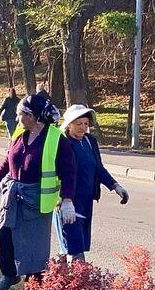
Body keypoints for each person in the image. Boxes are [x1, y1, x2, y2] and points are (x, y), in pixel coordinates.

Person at [0, 94, 76, 290]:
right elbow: (8, 160)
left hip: (37, 200)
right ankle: (9, 275)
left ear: (32, 116)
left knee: (34, 248)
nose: (17, 119)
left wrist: (67, 200)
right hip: (13, 196)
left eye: (20, 114)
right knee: (3, 237)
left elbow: (69, 172)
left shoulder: (56, 138)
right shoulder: (19, 133)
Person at [55, 104, 129, 261]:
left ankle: (56, 280)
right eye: (78, 124)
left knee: (73, 245)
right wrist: (63, 201)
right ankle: (78, 281)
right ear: (69, 124)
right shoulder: (62, 142)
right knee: (74, 247)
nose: (83, 128)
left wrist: (115, 186)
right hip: (68, 201)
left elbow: (98, 168)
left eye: (86, 124)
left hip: (86, 200)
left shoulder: (90, 141)